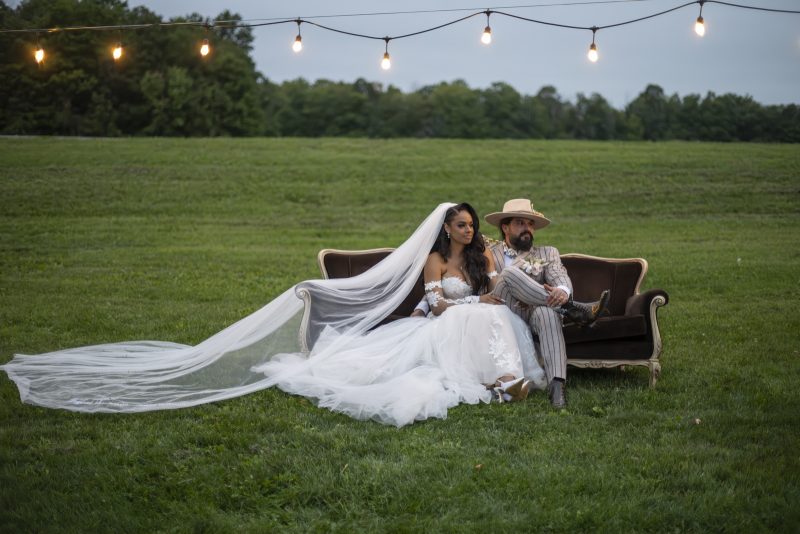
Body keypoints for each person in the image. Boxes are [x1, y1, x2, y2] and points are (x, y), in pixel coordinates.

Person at [0, 202, 545, 427]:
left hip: (477, 314)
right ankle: (502, 382)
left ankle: (503, 380)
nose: (469, 231)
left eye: (473, 224)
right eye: (462, 225)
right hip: (445, 317)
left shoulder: (485, 256)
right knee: (475, 317)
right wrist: (473, 299)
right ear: (446, 228)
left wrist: (488, 289)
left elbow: (497, 287)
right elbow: (433, 302)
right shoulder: (431, 260)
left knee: (493, 317)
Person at [484, 198, 609, 409]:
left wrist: (562, 292)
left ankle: (557, 387)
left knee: (547, 314)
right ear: (505, 227)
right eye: (521, 223)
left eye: (531, 224)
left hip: (534, 312)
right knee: (508, 273)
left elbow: (560, 278)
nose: (528, 229)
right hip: (501, 310)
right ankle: (574, 310)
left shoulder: (547, 252)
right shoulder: (488, 252)